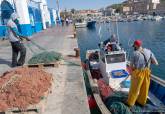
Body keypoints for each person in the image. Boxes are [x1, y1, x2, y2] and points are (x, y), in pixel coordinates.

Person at [126, 40, 158, 107]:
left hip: (139, 73)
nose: (133, 47)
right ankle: (141, 102)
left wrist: (131, 73)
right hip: (147, 72)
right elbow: (156, 63)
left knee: (134, 89)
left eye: (134, 46)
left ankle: (130, 103)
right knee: (145, 89)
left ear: (136, 45)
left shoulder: (134, 53)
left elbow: (131, 67)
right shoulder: (149, 51)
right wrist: (147, 62)